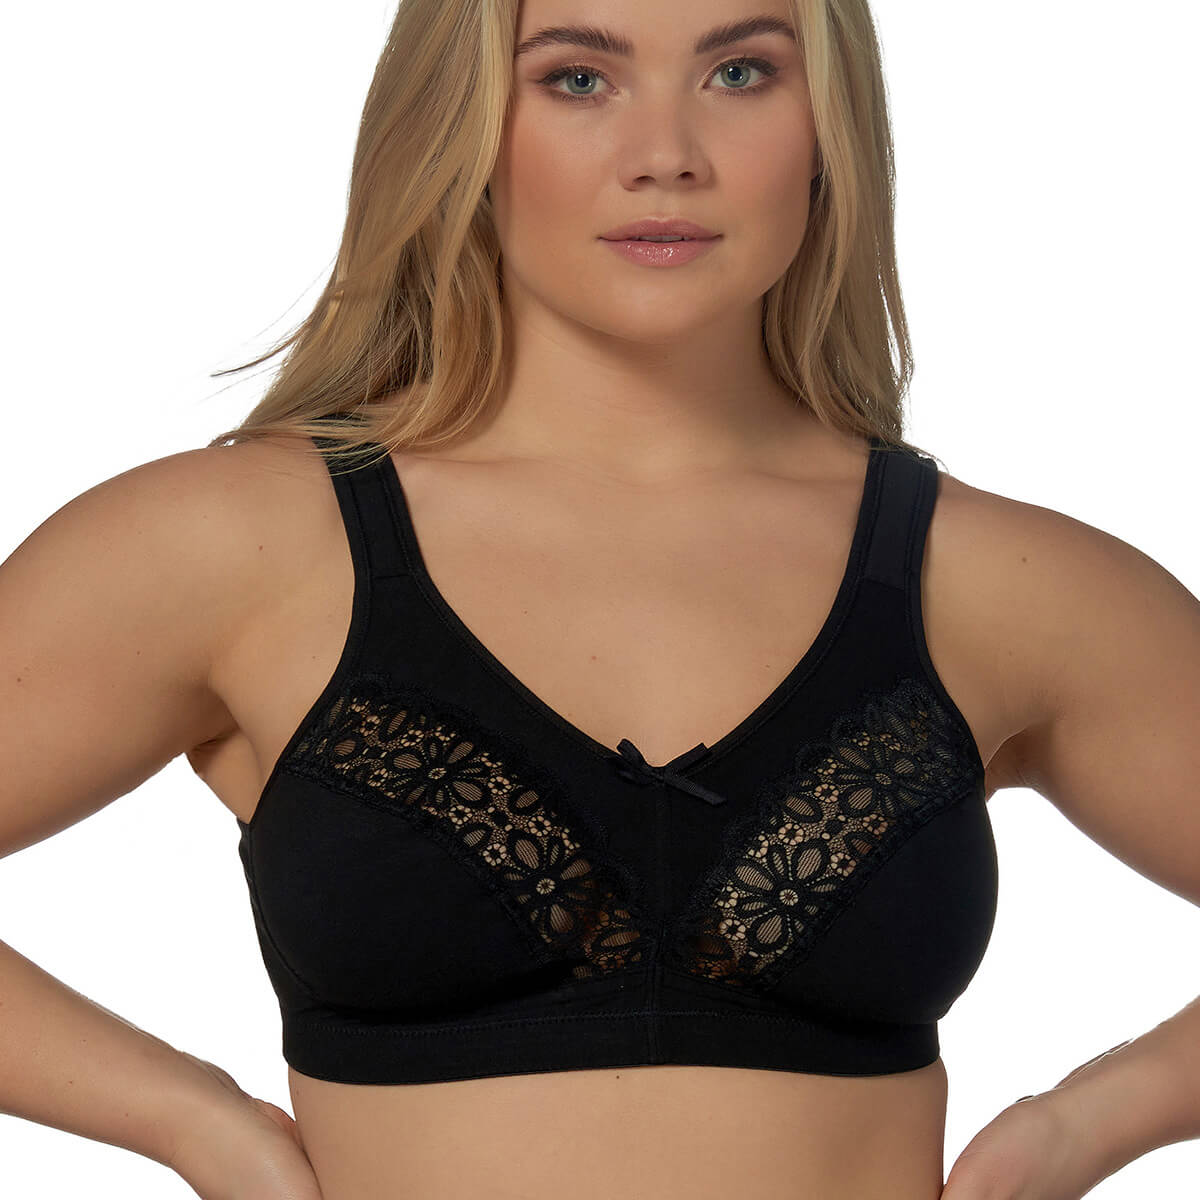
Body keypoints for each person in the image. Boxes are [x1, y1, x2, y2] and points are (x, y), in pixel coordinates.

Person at [2, 0, 1198, 1197]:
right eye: (578, 78)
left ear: (830, 124)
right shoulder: (236, 547)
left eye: (741, 72)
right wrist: (194, 1122)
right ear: (462, 124)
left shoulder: (1006, 585)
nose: (665, 154)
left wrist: (1079, 1129)